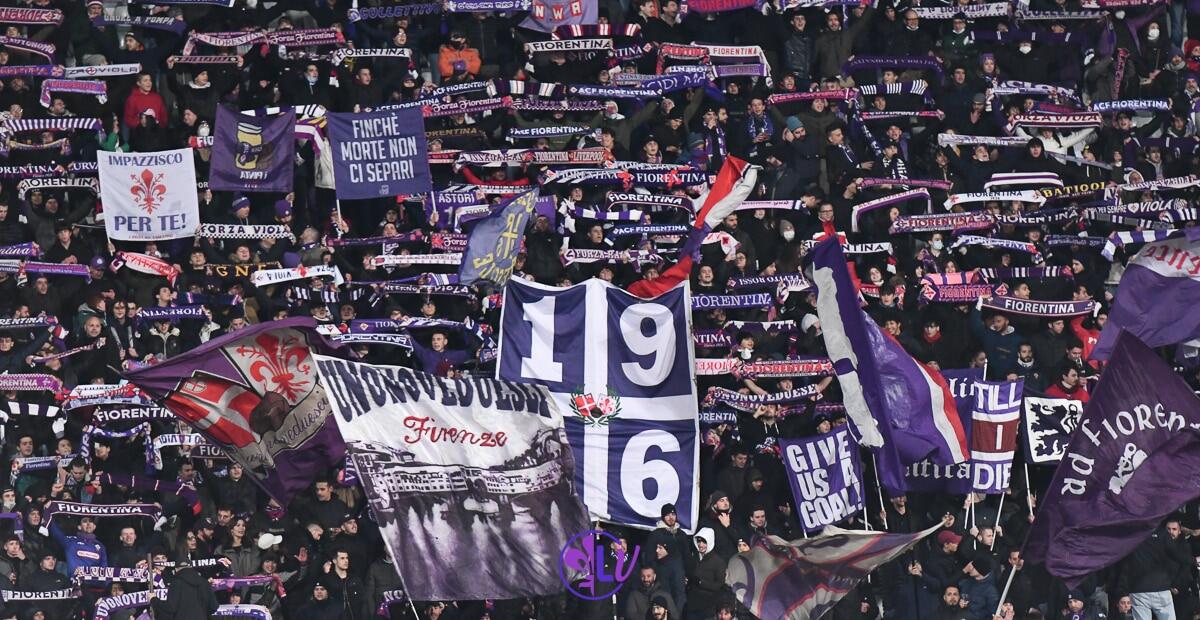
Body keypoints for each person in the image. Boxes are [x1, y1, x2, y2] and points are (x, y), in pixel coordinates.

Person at [150, 560, 220, 620]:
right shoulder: (204, 582)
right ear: (191, 567)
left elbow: (170, 608)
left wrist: (153, 599)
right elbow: (214, 606)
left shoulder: (176, 583)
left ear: (176, 569)